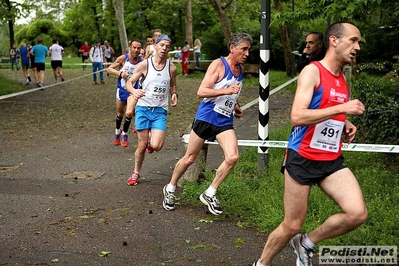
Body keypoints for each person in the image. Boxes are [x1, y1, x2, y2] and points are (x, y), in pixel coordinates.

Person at [253, 21, 367, 266]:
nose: (357, 47)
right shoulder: (312, 71)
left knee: (357, 214)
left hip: (330, 160)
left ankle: (306, 242)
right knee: (292, 224)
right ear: (334, 40)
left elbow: (327, 110)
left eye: (358, 42)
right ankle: (262, 263)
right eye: (353, 40)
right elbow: (298, 116)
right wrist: (342, 108)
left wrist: (344, 122)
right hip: (302, 157)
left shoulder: (341, 80)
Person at [162, 32, 252, 215]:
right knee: (189, 158)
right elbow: (201, 91)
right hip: (206, 118)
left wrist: (235, 106)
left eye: (249, 50)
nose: (247, 53)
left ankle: (210, 193)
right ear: (232, 48)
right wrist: (227, 92)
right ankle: (170, 188)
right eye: (244, 49)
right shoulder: (218, 65)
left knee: (233, 157)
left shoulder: (241, 70)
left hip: (224, 121)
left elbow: (232, 93)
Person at [125, 34, 178, 186]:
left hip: (160, 110)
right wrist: (134, 92)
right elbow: (130, 82)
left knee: (157, 146)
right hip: (143, 108)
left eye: (167, 46)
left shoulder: (172, 68)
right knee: (141, 146)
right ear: (155, 46)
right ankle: (136, 172)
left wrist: (174, 94)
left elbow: (173, 84)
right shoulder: (145, 65)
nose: (164, 49)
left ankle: (151, 141)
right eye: (161, 45)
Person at [107, 38, 143, 147]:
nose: (136, 50)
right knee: (120, 114)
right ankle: (117, 131)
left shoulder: (142, 61)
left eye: (138, 48)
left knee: (129, 113)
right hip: (121, 90)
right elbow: (109, 69)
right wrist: (120, 73)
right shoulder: (123, 58)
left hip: (132, 91)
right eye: (134, 47)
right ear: (130, 48)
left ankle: (125, 133)